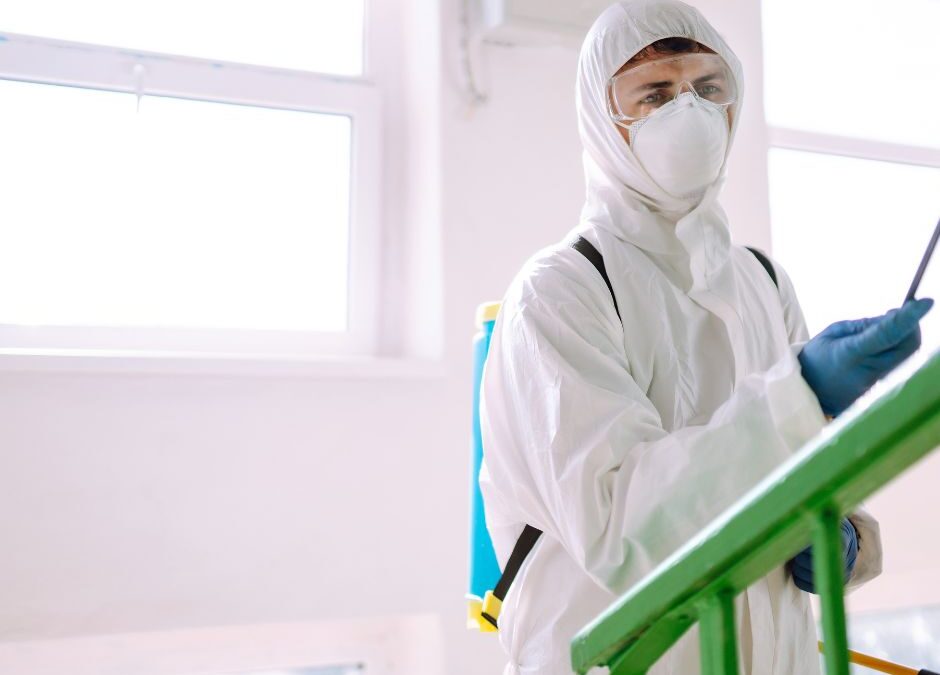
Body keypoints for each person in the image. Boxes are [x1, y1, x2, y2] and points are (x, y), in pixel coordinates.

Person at [478, 1, 934, 673]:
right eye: (655, 93)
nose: (687, 111)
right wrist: (798, 394)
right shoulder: (559, 291)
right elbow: (619, 525)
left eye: (707, 87)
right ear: (604, 122)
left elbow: (812, 470)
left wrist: (840, 535)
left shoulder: (762, 281)